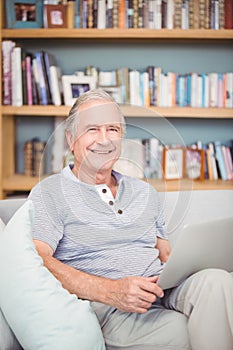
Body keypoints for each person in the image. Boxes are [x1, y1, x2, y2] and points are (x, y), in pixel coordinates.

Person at [29, 89, 233, 350]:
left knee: (217, 281)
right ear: (71, 139)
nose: (104, 140)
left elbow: (165, 253)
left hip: (160, 289)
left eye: (112, 129)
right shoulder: (50, 193)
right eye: (92, 129)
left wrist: (185, 263)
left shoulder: (144, 191)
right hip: (109, 308)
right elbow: (38, 260)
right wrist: (110, 291)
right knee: (179, 330)